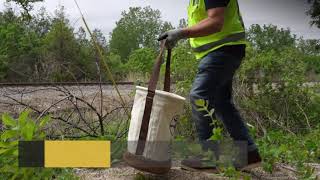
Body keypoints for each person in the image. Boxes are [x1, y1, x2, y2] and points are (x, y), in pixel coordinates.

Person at [158, 0, 261, 171]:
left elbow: (215, 22)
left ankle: (208, 158)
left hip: (222, 50)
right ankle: (249, 154)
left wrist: (180, 33)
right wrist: (178, 35)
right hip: (221, 51)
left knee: (199, 96)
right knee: (222, 103)